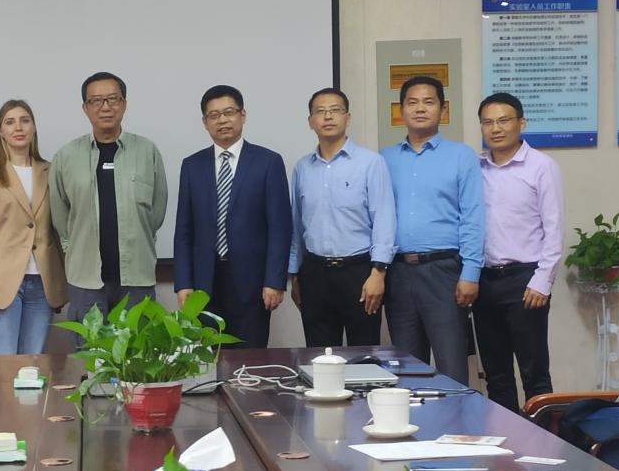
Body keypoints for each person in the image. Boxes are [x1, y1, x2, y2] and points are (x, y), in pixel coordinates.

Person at [381, 76, 484, 384]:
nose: (420, 109)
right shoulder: (383, 159)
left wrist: (471, 273)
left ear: (443, 109)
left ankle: (457, 417)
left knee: (451, 366)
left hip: (444, 272)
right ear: (401, 110)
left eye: (429, 102)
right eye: (412, 102)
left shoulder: (461, 156)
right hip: (398, 273)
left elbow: (473, 216)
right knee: (406, 369)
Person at [173, 85, 290, 348]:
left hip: (252, 283)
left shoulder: (268, 162)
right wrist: (183, 283)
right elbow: (184, 230)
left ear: (242, 115)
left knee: (250, 359)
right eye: (214, 115)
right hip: (204, 284)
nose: (222, 120)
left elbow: (280, 228)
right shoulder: (192, 165)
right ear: (205, 122)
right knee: (208, 358)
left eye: (229, 112)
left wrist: (274, 281)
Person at [50, 71, 167, 327]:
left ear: (124, 104)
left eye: (113, 99)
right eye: (96, 101)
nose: (105, 107)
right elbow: (60, 216)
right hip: (85, 281)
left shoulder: (147, 151)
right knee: (89, 351)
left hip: (136, 279)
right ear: (85, 108)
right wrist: (73, 248)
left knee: (137, 350)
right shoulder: (66, 157)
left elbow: (156, 213)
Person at [472, 92, 563, 412]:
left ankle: (545, 437)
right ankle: (507, 438)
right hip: (484, 281)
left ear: (521, 123)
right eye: (488, 122)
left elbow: (553, 227)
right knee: (495, 374)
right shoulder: (476, 167)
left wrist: (543, 281)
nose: (496, 128)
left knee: (534, 372)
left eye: (504, 120)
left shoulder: (541, 166)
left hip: (525, 280)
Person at [288, 88, 395, 347]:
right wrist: (295, 275)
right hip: (314, 273)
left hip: (359, 272)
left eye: (335, 110)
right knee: (319, 356)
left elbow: (384, 219)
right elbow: (297, 224)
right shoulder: (302, 168)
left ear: (347, 117)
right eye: (320, 111)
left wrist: (378, 273)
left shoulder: (371, 163)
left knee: (364, 355)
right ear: (310, 121)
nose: (328, 117)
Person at [0, 100, 66, 354]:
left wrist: (61, 284)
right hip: (3, 284)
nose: (18, 127)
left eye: (25, 120)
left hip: (42, 282)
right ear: (0, 131)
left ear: (34, 127)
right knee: (4, 361)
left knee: (32, 364)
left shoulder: (51, 171)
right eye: (10, 122)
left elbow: (60, 229)